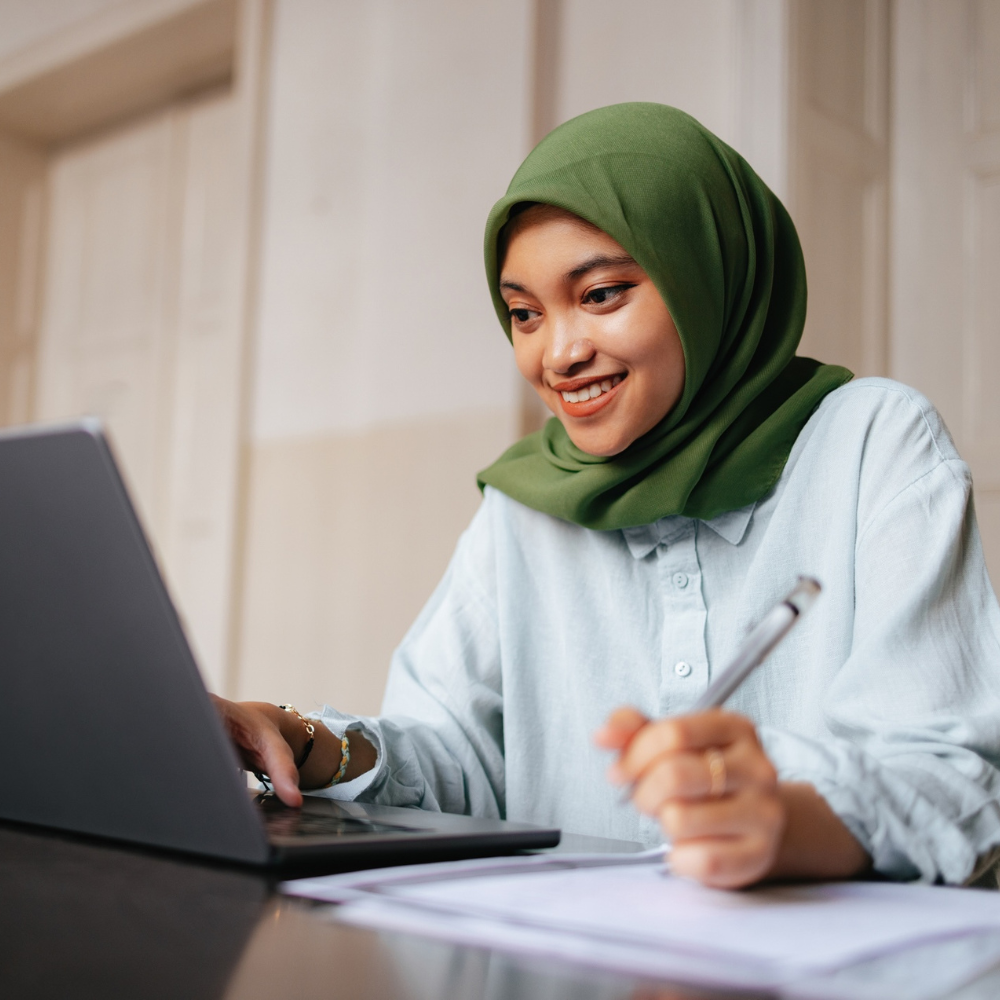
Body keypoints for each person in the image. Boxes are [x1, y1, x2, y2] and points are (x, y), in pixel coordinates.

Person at [213, 103, 1000, 889]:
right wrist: (303, 739)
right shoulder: (527, 500)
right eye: (524, 314)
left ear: (706, 274)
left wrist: (786, 821)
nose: (558, 353)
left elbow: (955, 781)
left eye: (601, 294)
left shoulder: (871, 442)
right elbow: (457, 765)